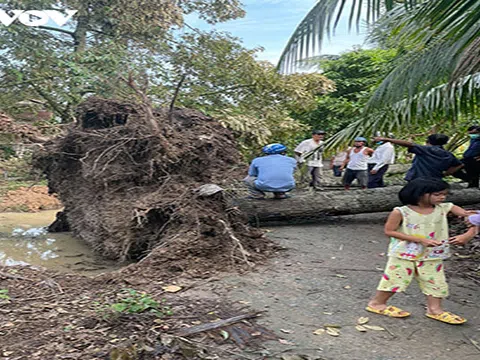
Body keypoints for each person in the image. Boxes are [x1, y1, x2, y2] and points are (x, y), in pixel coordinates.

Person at [366, 178, 477, 324]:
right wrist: (420, 240)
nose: (442, 197)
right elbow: (389, 231)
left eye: (445, 194)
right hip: (404, 253)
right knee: (395, 278)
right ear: (420, 194)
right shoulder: (401, 212)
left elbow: (468, 216)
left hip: (433, 253)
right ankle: (377, 303)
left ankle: (435, 309)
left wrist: (470, 227)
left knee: (435, 281)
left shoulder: (445, 208)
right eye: (438, 194)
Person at [374, 134, 462, 182]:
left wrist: (388, 139)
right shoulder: (448, 154)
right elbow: (459, 164)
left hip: (418, 178)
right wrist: (446, 173)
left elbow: (409, 144)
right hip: (436, 179)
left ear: (428, 141)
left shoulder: (426, 149)